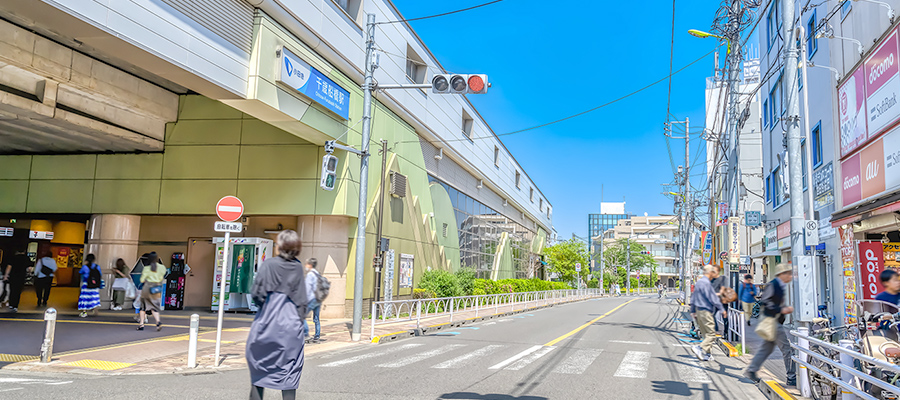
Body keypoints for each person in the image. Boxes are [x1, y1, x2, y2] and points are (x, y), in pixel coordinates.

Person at [246, 230, 307, 400]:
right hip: (290, 326)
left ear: (279, 246)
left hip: (267, 323)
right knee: (289, 370)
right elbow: (302, 300)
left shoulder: (269, 265)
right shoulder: (297, 267)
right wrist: (299, 322)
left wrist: (265, 309)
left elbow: (257, 293)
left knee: (259, 367)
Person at [744, 263, 797, 386]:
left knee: (766, 348)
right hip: (773, 322)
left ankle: (752, 370)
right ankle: (791, 377)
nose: (790, 276)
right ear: (782, 274)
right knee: (786, 349)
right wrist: (781, 310)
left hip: (774, 321)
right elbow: (765, 301)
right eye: (788, 274)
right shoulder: (774, 285)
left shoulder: (779, 285)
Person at [690, 264, 726, 361]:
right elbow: (713, 298)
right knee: (711, 334)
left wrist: (692, 310)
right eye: (713, 272)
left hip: (698, 310)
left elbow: (693, 297)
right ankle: (699, 348)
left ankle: (708, 354)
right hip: (706, 311)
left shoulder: (699, 282)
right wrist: (722, 309)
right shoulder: (706, 283)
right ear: (710, 272)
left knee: (706, 334)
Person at [138, 252, 165, 331]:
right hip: (157, 288)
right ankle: (158, 322)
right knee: (154, 307)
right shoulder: (162, 267)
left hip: (147, 288)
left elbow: (142, 280)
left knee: (143, 307)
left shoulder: (147, 268)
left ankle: (141, 324)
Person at [304, 258, 322, 343]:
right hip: (318, 299)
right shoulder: (317, 274)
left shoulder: (310, 275)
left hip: (311, 299)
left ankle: (306, 334)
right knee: (316, 318)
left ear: (310, 265)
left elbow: (307, 289)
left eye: (306, 264)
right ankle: (317, 336)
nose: (305, 266)